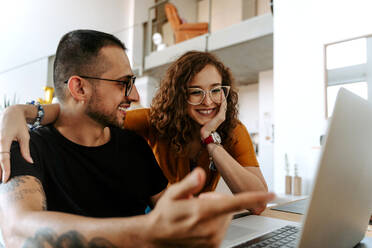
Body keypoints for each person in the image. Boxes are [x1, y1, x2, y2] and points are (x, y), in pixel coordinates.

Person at [0, 29, 274, 248]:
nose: (134, 96)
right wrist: (19, 112)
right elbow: (17, 231)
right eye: (124, 83)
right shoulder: (24, 145)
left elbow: (172, 212)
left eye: (216, 91)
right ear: (79, 86)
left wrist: (195, 218)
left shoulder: (132, 146)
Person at [1, 53, 267, 209]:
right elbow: (84, 114)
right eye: (195, 92)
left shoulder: (230, 130)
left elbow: (257, 204)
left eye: (216, 90)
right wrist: (22, 112)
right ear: (177, 96)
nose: (208, 101)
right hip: (156, 216)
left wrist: (211, 140)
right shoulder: (154, 121)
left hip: (194, 221)